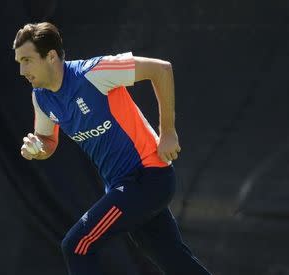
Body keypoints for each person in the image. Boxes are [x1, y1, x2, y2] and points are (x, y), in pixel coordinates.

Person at [13, 22, 211, 275]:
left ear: (51, 56)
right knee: (174, 261)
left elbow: (161, 69)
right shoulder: (41, 97)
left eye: (27, 60)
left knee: (77, 245)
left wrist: (168, 132)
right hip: (125, 185)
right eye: (19, 61)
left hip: (148, 177)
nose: (21, 70)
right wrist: (37, 149)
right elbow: (47, 140)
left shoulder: (93, 73)